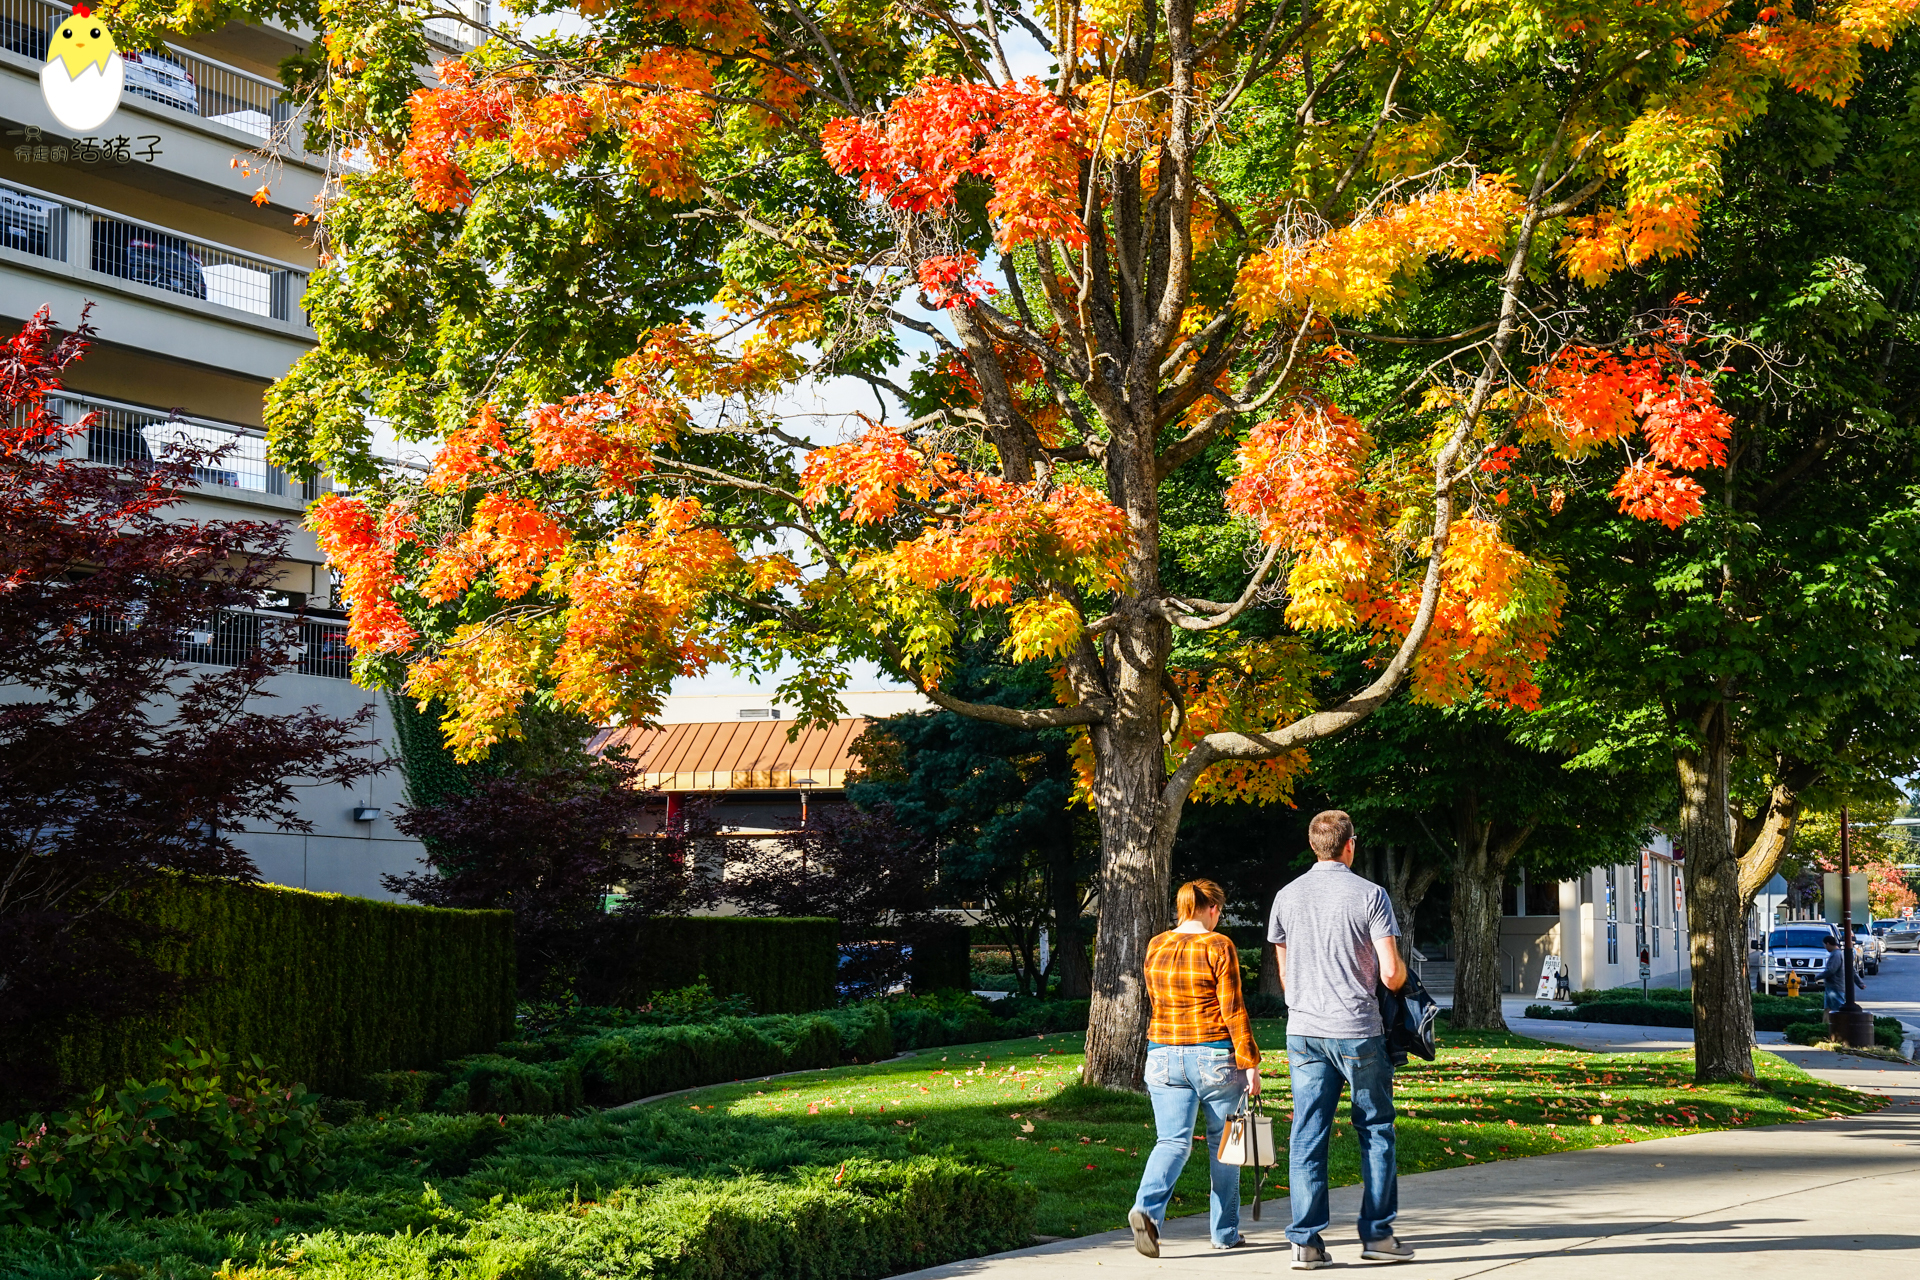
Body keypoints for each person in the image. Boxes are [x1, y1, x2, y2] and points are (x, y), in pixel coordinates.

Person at [1268, 810, 1413, 1269]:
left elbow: (1286, 978)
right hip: (1357, 1030)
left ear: (1315, 845)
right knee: (1375, 1130)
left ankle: (1306, 1244)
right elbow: (1390, 974)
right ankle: (1377, 1236)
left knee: (1308, 1133)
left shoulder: (1286, 896)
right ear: (1350, 844)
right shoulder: (1370, 895)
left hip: (1305, 1031)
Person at [1127, 878, 1262, 1258]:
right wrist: (1250, 1062)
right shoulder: (1218, 945)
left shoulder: (1157, 945)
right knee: (1227, 1147)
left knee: (1171, 1142)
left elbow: (1156, 1001)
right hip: (1215, 1057)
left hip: (1163, 1055)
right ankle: (1225, 1233)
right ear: (1213, 909)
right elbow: (1232, 1009)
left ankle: (1147, 1210)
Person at [1821, 934, 1864, 1010]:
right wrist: (1860, 983)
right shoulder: (1840, 954)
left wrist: (1818, 977)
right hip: (1835, 986)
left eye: (1824, 945)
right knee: (1828, 1009)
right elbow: (1852, 970)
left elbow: (1831, 970)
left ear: (1828, 943)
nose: (1825, 947)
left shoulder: (1836, 955)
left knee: (1838, 1009)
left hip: (1835, 987)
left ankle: (1842, 1021)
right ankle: (1827, 1022)